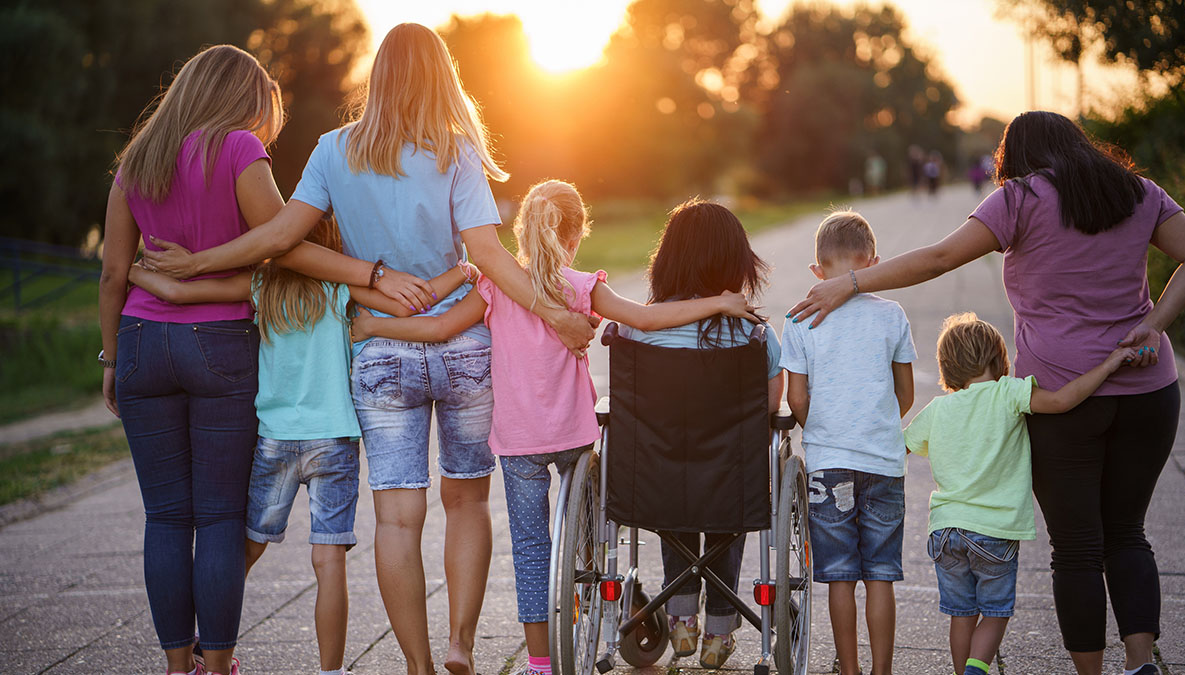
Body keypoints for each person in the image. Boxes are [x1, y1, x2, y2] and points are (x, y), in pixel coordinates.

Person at [140, 24, 596, 675]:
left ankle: (417, 665)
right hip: (464, 349)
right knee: (466, 499)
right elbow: (489, 256)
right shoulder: (457, 151)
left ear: (377, 77)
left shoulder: (332, 151)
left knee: (397, 517)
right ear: (443, 78)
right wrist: (555, 312)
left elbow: (283, 240)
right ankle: (461, 645)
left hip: (382, 353)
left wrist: (203, 263)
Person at [787, 110, 1185, 675]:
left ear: (1016, 159)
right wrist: (1156, 322)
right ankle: (1139, 663)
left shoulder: (1021, 199)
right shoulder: (1136, 191)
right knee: (1129, 534)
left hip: (1061, 395)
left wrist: (851, 283)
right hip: (1150, 392)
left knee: (1077, 547)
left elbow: (938, 258)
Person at [351, 183, 757, 675]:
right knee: (588, 533)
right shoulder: (582, 286)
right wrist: (718, 303)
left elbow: (438, 329)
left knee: (529, 549)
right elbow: (647, 320)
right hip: (575, 436)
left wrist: (374, 327)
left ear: (523, 228)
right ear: (575, 234)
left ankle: (541, 662)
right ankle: (593, 589)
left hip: (519, 442)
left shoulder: (497, 286)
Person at [128, 217, 477, 675]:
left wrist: (128, 270)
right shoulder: (339, 289)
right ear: (331, 247)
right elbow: (414, 304)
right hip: (333, 441)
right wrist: (464, 272)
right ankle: (331, 671)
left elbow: (177, 293)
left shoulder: (261, 287)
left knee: (245, 547)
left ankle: (205, 638)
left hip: (274, 439)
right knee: (328, 560)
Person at [904, 313, 1138, 675]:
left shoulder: (938, 409)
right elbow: (1062, 401)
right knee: (995, 614)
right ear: (999, 360)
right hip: (994, 531)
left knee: (961, 614)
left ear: (947, 367)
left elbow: (901, 445)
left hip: (945, 531)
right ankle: (974, 671)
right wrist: (1107, 366)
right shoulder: (1008, 393)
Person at [621, 200, 784, 669]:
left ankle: (680, 620)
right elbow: (770, 406)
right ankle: (718, 632)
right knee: (726, 499)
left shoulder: (640, 331)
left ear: (667, 260)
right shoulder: (754, 335)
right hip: (729, 478)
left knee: (677, 492)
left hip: (657, 476)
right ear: (736, 263)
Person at [781, 210, 915, 675]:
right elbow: (906, 394)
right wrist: (873, 425)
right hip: (883, 462)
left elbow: (796, 397)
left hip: (828, 464)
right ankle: (882, 671)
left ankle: (851, 670)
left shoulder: (799, 320)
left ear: (817, 271)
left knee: (839, 576)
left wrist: (824, 429)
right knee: (880, 575)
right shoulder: (892, 315)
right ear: (873, 264)